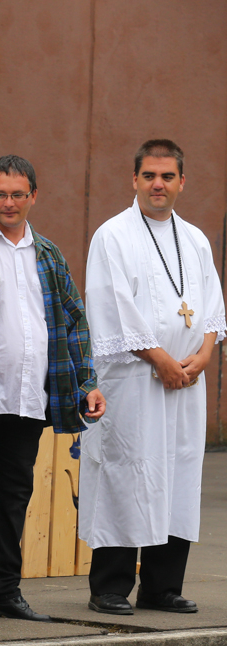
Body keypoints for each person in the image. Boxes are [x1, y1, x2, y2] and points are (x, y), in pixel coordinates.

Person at [0, 156, 106, 624]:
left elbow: (74, 321)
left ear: (33, 196)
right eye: (0, 194)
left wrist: (87, 382)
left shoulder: (48, 254)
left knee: (15, 496)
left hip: (29, 397)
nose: (9, 203)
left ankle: (6, 589)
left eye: (18, 194)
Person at [80, 139, 224, 615]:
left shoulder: (195, 239)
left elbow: (211, 306)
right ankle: (109, 586)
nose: (157, 184)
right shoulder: (113, 236)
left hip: (185, 382)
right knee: (127, 470)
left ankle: (162, 587)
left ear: (182, 182)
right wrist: (160, 358)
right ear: (134, 180)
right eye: (149, 176)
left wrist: (204, 354)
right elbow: (111, 307)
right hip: (134, 381)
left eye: (167, 176)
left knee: (178, 472)